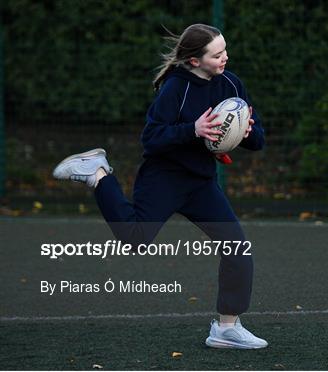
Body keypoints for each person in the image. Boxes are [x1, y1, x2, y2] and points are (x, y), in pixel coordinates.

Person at [52, 24, 267, 349]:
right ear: (194, 60)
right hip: (163, 177)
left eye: (225, 49)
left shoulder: (231, 83)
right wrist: (192, 130)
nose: (226, 57)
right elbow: (151, 139)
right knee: (135, 238)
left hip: (200, 183)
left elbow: (258, 139)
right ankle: (97, 172)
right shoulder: (175, 88)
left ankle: (226, 328)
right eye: (217, 54)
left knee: (238, 249)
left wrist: (247, 131)